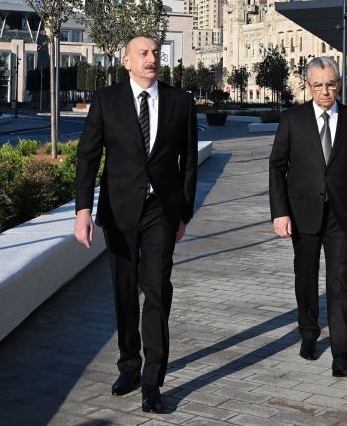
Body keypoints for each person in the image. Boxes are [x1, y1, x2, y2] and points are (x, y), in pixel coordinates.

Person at [74, 35, 198, 414]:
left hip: (161, 210)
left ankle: (152, 382)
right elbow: (88, 156)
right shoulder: (107, 100)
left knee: (158, 290)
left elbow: (189, 162)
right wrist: (82, 211)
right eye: (143, 53)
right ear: (126, 61)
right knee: (125, 292)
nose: (152, 59)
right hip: (120, 210)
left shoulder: (181, 101)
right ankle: (129, 365)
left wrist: (183, 213)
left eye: (156, 53)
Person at [268, 56, 347, 376]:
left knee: (340, 282)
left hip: (343, 216)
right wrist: (280, 212)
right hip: (304, 215)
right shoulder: (293, 119)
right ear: (309, 86)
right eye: (318, 85)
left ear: (339, 83)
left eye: (331, 84)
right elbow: (277, 167)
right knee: (307, 277)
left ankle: (342, 356)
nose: (325, 91)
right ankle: (309, 333)